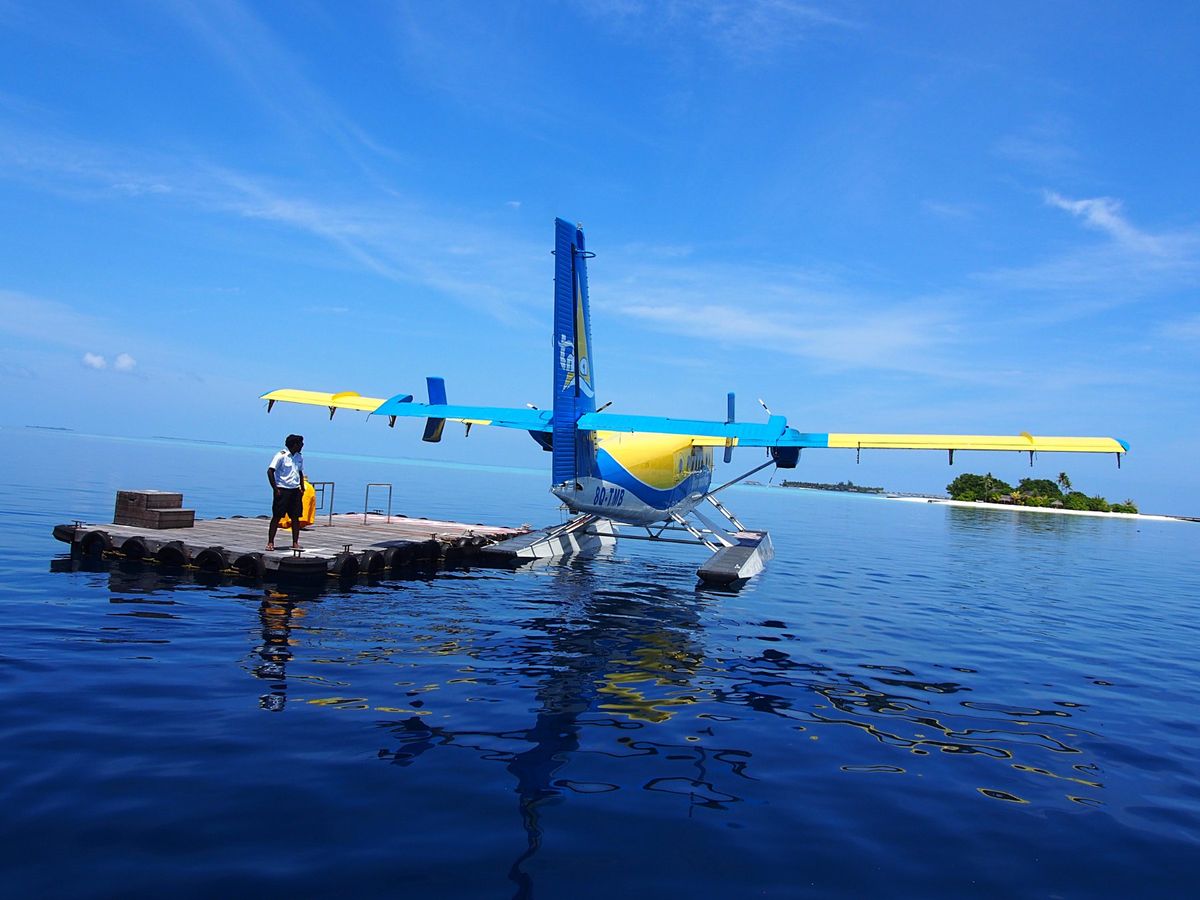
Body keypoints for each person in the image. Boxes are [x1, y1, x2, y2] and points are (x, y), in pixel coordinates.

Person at [267, 434, 305, 551]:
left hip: (295, 490)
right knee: (277, 516)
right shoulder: (281, 456)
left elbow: (300, 472)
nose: (302, 446)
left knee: (295, 517)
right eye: (300, 444)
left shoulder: (299, 457)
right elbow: (270, 471)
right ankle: (270, 542)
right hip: (282, 490)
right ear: (295, 444)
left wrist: (302, 487)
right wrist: (275, 488)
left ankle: (295, 542)